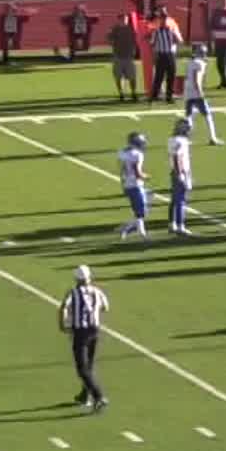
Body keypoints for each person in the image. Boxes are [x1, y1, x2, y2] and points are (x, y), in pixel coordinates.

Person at [59, 264, 110, 410]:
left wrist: (63, 325)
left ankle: (98, 396)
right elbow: (106, 307)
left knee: (82, 368)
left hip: (80, 332)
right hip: (94, 330)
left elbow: (64, 307)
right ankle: (84, 394)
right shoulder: (97, 291)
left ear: (76, 278)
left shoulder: (73, 292)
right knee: (89, 364)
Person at [183, 43, 223, 146]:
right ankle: (212, 138)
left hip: (188, 90)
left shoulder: (190, 62)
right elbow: (197, 79)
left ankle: (186, 138)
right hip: (195, 91)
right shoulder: (199, 64)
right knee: (207, 115)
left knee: (189, 116)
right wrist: (200, 92)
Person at [117, 132, 152, 243]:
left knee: (141, 209)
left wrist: (123, 183)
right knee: (141, 211)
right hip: (135, 184)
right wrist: (146, 176)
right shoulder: (137, 154)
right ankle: (136, 231)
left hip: (127, 183)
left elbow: (122, 170)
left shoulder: (122, 152)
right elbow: (137, 172)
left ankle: (134, 231)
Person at [149, 8, 183, 104]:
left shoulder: (172, 30)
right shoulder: (156, 31)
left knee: (171, 76)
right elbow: (152, 43)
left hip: (170, 54)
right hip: (161, 54)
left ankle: (169, 96)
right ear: (159, 20)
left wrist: (174, 35)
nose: (163, 20)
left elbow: (180, 41)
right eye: (162, 18)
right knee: (158, 76)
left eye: (165, 18)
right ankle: (154, 95)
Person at [168, 118, 195, 237]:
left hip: (176, 171)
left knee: (175, 200)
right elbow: (177, 157)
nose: (189, 131)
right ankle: (180, 226)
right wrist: (180, 173)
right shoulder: (180, 141)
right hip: (180, 172)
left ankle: (172, 224)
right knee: (181, 200)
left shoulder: (173, 139)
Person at [108, 13, 141, 102]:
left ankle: (133, 92)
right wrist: (111, 37)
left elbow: (137, 39)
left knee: (132, 76)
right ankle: (121, 93)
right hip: (118, 56)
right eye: (122, 19)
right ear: (119, 20)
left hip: (129, 56)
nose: (124, 21)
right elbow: (109, 40)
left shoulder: (132, 29)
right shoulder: (115, 29)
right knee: (119, 77)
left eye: (126, 19)